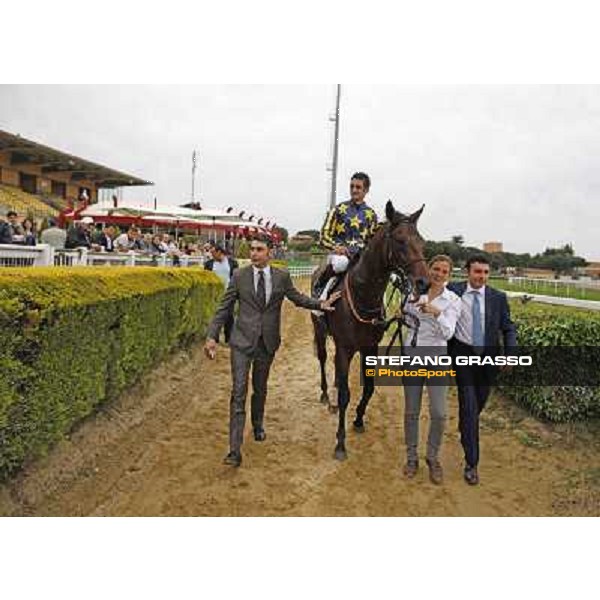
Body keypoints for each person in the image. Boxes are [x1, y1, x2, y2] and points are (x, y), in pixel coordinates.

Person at [204, 236, 341, 467]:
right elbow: (223, 308)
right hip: (241, 342)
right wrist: (211, 336)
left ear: (270, 253)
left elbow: (296, 298)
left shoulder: (281, 277)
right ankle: (234, 450)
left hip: (266, 343)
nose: (254, 253)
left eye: (259, 249)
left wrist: (320, 304)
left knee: (260, 388)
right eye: (252, 249)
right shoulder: (239, 276)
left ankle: (257, 425)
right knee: (238, 392)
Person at [447, 255, 517, 486]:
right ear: (467, 272)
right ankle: (472, 463)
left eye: (486, 272)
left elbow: (508, 328)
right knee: (469, 406)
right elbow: (432, 286)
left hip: (489, 360)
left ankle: (465, 426)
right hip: (463, 356)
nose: (482, 277)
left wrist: (510, 354)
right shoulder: (453, 290)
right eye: (478, 272)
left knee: (477, 406)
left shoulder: (498, 297)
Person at [401, 255, 461, 484]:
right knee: (411, 411)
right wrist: (404, 313)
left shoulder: (453, 300)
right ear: (429, 269)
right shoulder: (415, 293)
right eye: (435, 269)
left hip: (437, 356)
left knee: (439, 412)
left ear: (449, 275)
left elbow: (448, 333)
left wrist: (437, 313)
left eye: (444, 271)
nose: (438, 274)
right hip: (413, 355)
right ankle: (411, 457)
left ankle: (433, 457)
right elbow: (406, 318)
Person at [314, 172, 378, 298]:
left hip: (360, 258)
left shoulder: (372, 215)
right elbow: (323, 235)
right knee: (341, 264)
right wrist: (335, 247)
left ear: (366, 190)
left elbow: (372, 241)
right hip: (340, 255)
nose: (354, 190)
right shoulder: (338, 209)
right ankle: (321, 290)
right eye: (352, 186)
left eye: (358, 187)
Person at [204, 244, 239, 344]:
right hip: (214, 294)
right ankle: (214, 338)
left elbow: (236, 278)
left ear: (219, 252)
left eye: (213, 252)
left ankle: (229, 339)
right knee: (215, 316)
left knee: (229, 316)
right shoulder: (209, 264)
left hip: (228, 293)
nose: (211, 254)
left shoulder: (232, 263)